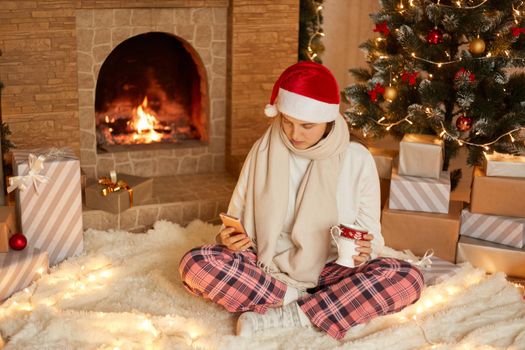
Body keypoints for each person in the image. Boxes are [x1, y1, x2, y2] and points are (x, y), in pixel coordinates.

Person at [178, 61, 424, 340]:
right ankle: (317, 305)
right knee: (195, 264)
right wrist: (228, 239)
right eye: (288, 122)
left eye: (307, 126)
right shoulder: (264, 149)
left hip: (332, 271)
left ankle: (291, 313)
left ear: (328, 120)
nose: (295, 135)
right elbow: (236, 219)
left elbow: (372, 238)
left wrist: (364, 251)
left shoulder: (356, 159)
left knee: (407, 278)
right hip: (266, 265)